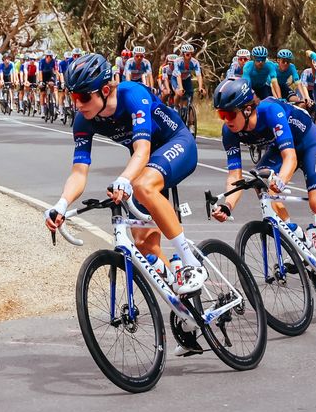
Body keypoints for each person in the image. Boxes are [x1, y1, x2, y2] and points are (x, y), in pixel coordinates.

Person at [44, 53, 205, 294]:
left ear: (105, 90)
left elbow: (143, 148)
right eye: (73, 96)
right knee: (142, 244)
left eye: (84, 97)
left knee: (143, 185)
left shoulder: (132, 95)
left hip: (177, 144)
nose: (78, 104)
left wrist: (124, 179)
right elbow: (79, 171)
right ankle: (181, 291)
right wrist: (62, 204)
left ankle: (191, 264)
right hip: (144, 162)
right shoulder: (83, 120)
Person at [210, 78, 316, 291]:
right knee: (259, 180)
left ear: (248, 109)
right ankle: (297, 234)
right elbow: (235, 176)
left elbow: (291, 159)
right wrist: (227, 205)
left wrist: (281, 180)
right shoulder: (229, 131)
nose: (226, 120)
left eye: (229, 114)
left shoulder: (271, 111)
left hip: (308, 143)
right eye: (221, 115)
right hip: (280, 149)